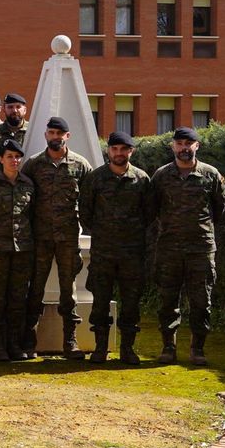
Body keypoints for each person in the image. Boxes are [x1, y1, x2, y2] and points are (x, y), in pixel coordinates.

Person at [150, 127, 225, 365]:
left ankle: (197, 349)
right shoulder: (161, 176)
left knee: (201, 301)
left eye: (189, 144)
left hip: (201, 249)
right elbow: (152, 208)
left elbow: (220, 209)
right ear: (173, 146)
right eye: (180, 144)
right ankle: (168, 346)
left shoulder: (211, 174)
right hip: (169, 248)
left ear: (197, 146)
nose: (184, 148)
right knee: (167, 300)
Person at [79, 131, 154, 364]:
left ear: (131, 151)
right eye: (115, 149)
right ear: (108, 151)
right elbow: (85, 212)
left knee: (131, 302)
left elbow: (149, 214)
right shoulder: (95, 178)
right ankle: (100, 348)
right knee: (100, 302)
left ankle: (127, 349)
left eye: (124, 149)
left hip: (132, 253)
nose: (119, 153)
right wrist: (103, 233)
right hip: (103, 253)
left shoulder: (141, 179)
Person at [22, 116, 92, 359]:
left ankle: (69, 341)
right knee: (35, 289)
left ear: (67, 136)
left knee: (68, 291)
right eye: (51, 133)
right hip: (40, 237)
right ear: (46, 135)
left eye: (59, 134)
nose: (55, 137)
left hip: (68, 238)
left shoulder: (80, 165)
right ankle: (28, 341)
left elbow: (90, 198)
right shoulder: (32, 165)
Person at [0, 139, 36, 361]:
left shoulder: (29, 185)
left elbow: (31, 217)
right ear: (1, 159)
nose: (14, 160)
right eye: (9, 156)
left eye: (17, 157)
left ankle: (14, 344)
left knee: (17, 298)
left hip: (22, 249)